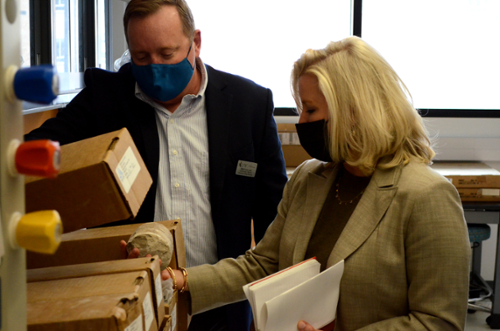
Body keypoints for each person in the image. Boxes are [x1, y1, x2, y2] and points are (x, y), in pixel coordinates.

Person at [163, 36, 471, 331]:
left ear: (354, 110)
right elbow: (263, 264)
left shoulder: (427, 196)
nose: (301, 123)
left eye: (310, 110)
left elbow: (436, 321)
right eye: (300, 111)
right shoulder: (310, 179)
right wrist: (181, 280)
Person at [24, 0, 287, 330]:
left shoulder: (249, 104)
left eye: (167, 54)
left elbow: (273, 219)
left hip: (221, 302)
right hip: (132, 301)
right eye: (142, 58)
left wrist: (274, 305)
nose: (155, 67)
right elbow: (37, 149)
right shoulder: (106, 98)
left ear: (196, 43)